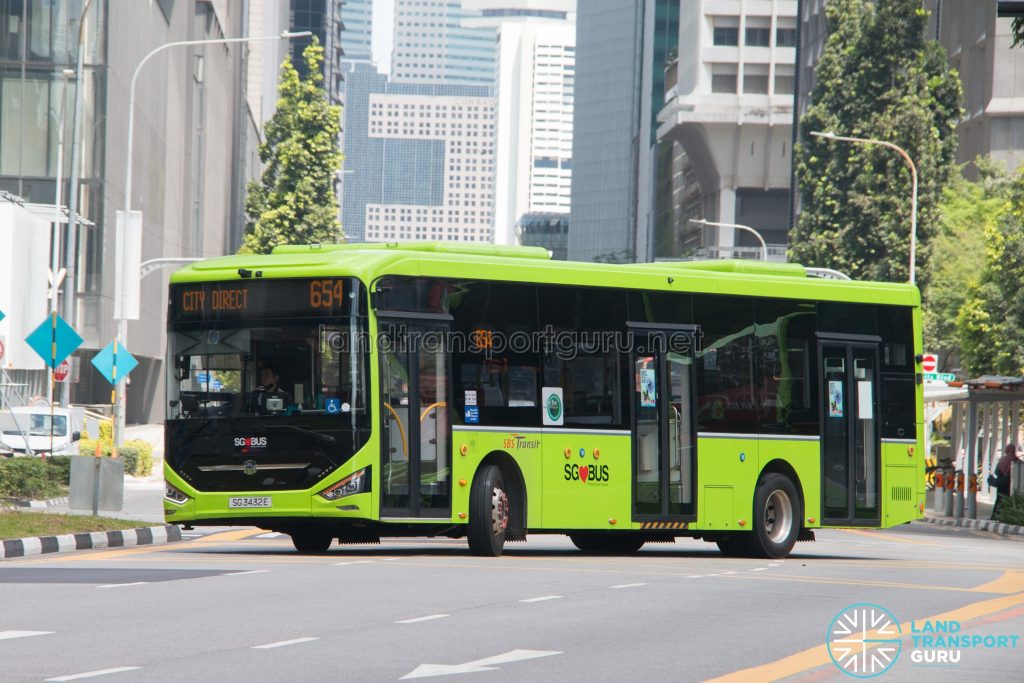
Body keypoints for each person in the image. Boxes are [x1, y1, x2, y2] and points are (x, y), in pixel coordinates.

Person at [990, 443, 1017, 520]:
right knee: (1011, 500)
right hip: (1012, 485)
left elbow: (996, 472)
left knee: (999, 500)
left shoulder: (1002, 460)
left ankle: (995, 516)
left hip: (1001, 484)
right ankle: (1009, 516)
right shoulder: (1016, 460)